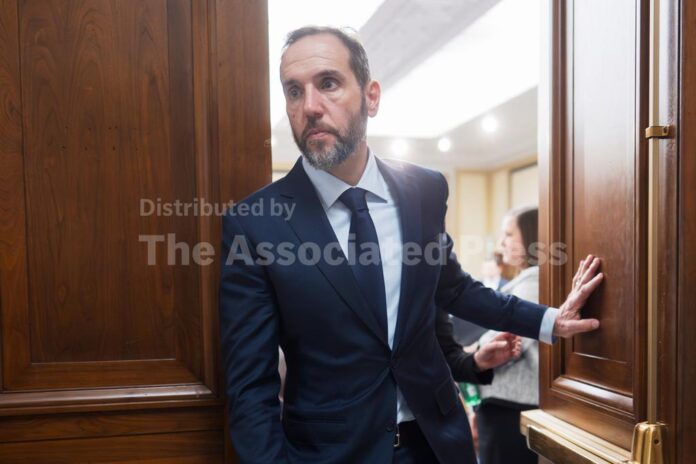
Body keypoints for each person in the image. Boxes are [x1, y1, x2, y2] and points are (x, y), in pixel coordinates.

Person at [218, 26, 603, 464]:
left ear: (371, 97)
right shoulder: (255, 223)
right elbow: (250, 386)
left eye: (328, 83)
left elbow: (455, 289)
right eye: (293, 91)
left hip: (437, 445)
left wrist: (551, 320)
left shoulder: (423, 189)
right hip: (331, 453)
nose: (309, 106)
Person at [474, 207, 542, 464]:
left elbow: (503, 341)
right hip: (507, 402)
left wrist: (473, 349)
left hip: (512, 404)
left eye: (509, 234)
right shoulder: (525, 281)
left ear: (532, 236)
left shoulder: (534, 283)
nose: (501, 243)